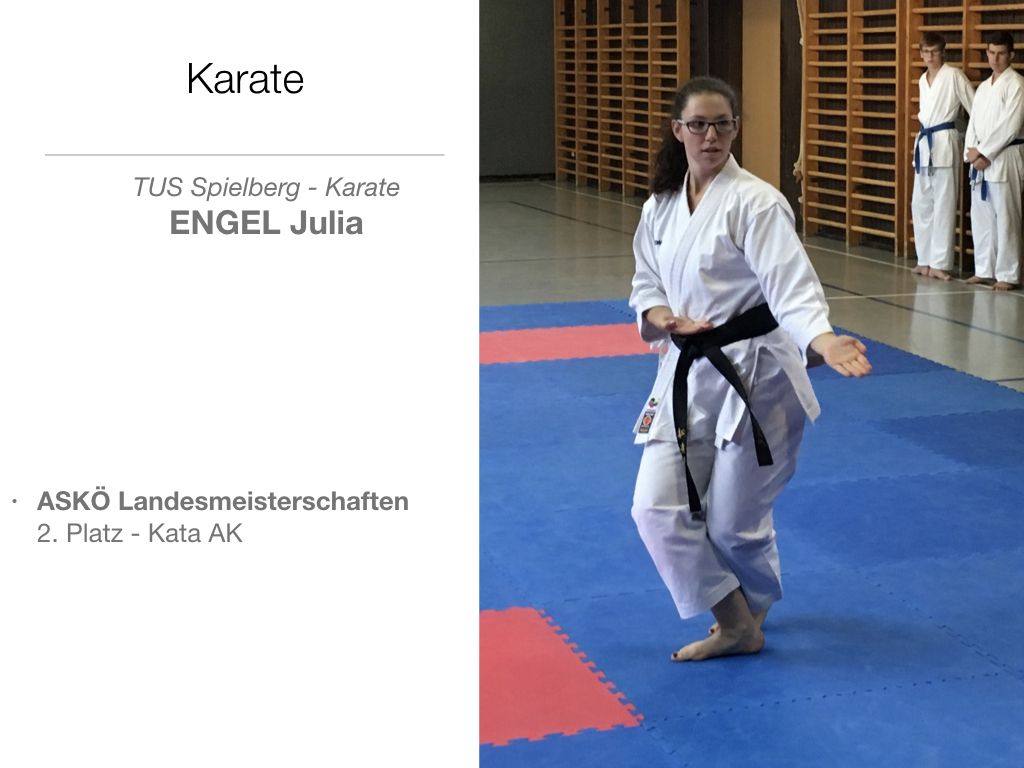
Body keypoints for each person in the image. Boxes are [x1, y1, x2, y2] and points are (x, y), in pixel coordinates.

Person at [628, 77, 871, 662]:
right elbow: (645, 282)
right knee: (655, 509)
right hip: (686, 371)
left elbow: (792, 287)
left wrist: (822, 339)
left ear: (736, 129)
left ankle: (742, 620)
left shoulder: (756, 202)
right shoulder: (660, 206)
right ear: (678, 130)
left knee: (735, 525)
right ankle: (740, 622)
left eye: (722, 124)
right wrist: (663, 317)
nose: (711, 136)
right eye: (698, 125)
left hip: (758, 378)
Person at [911, 32, 974, 281]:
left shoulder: (954, 75)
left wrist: (971, 141)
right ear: (921, 54)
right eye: (925, 52)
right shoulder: (922, 80)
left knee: (944, 204)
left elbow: (974, 108)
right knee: (921, 204)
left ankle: (941, 263)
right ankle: (924, 259)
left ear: (943, 52)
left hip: (946, 141)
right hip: (924, 143)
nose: (930, 57)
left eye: (934, 52)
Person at [964, 32, 1024, 291]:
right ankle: (984, 269)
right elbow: (973, 123)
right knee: (982, 217)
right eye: (991, 53)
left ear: (1011, 55)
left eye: (1000, 53)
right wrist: (971, 152)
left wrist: (984, 153)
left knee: (1006, 217)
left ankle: (1008, 274)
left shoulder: (1017, 84)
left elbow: (1011, 125)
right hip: (981, 161)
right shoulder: (983, 88)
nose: (995, 58)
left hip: (1006, 156)